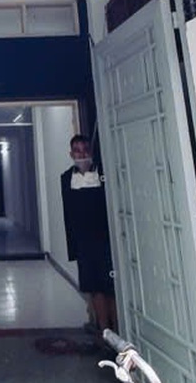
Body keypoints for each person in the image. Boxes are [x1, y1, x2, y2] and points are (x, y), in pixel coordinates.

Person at [60, 134, 118, 335]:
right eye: (77, 151)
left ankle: (119, 331)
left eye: (85, 150)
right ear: (71, 154)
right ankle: (105, 332)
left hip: (106, 241)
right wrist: (73, 248)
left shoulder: (103, 174)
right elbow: (68, 214)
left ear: (91, 151)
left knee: (111, 289)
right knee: (94, 289)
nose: (82, 154)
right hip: (84, 244)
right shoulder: (66, 178)